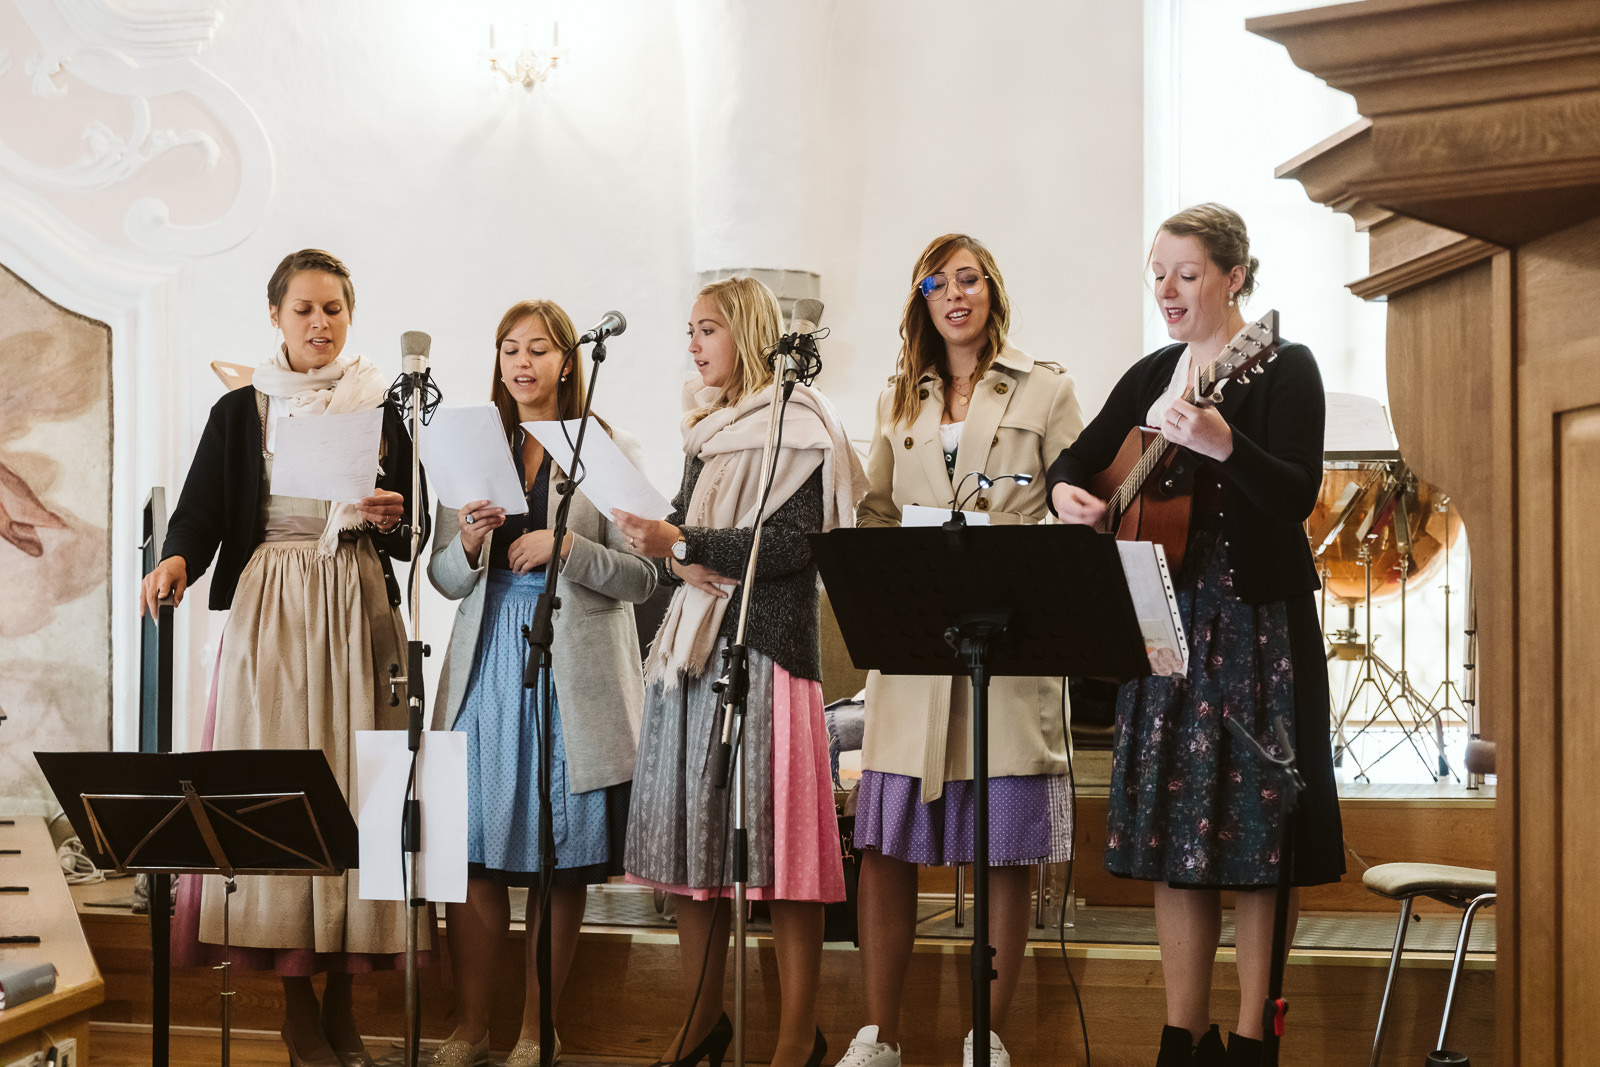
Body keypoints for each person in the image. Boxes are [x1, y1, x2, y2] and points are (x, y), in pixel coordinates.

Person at [1045, 203, 1345, 1067]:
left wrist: (1222, 444)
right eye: (1159, 272)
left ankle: (1253, 1036)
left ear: (1234, 276)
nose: (1167, 290)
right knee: (1181, 838)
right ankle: (1184, 1033)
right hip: (1164, 623)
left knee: (1259, 837)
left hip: (1255, 627)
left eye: (1186, 272)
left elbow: (1293, 494)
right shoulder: (1153, 372)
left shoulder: (1284, 366)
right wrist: (1071, 494)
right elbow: (1077, 460)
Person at [141, 248, 422, 1067]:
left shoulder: (382, 403)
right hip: (272, 608)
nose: (320, 324)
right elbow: (198, 512)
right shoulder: (241, 410)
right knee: (279, 788)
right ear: (275, 316)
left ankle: (343, 1007)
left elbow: (414, 530)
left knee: (354, 793)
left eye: (333, 309)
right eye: (304, 309)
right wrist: (176, 560)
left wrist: (388, 513)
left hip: (354, 599)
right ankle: (296, 1007)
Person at [839, 233, 1085, 1067]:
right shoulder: (897, 399)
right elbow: (874, 511)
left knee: (1004, 845)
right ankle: (882, 1034)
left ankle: (989, 1034)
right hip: (914, 649)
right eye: (937, 282)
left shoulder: (1046, 388)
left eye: (969, 278)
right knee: (886, 844)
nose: (955, 294)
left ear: (992, 291)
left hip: (1007, 646)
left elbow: (1075, 510)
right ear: (921, 300)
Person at [613, 276, 865, 1067]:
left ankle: (797, 1035)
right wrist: (663, 539)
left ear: (751, 333)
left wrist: (682, 546)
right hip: (697, 660)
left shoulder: (805, 427)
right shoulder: (709, 430)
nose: (693, 344)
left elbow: (789, 548)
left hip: (769, 655)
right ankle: (701, 1018)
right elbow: (689, 532)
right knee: (696, 857)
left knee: (781, 855)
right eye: (689, 329)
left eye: (708, 329)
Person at [425, 300, 657, 1067]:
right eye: (509, 350)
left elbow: (645, 573)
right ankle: (471, 1026)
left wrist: (567, 550)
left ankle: (536, 1030)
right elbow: (444, 575)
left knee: (558, 855)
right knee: (476, 853)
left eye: (539, 349)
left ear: (567, 362)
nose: (522, 363)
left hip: (571, 665)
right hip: (488, 657)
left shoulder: (603, 446)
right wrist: (466, 538)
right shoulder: (471, 446)